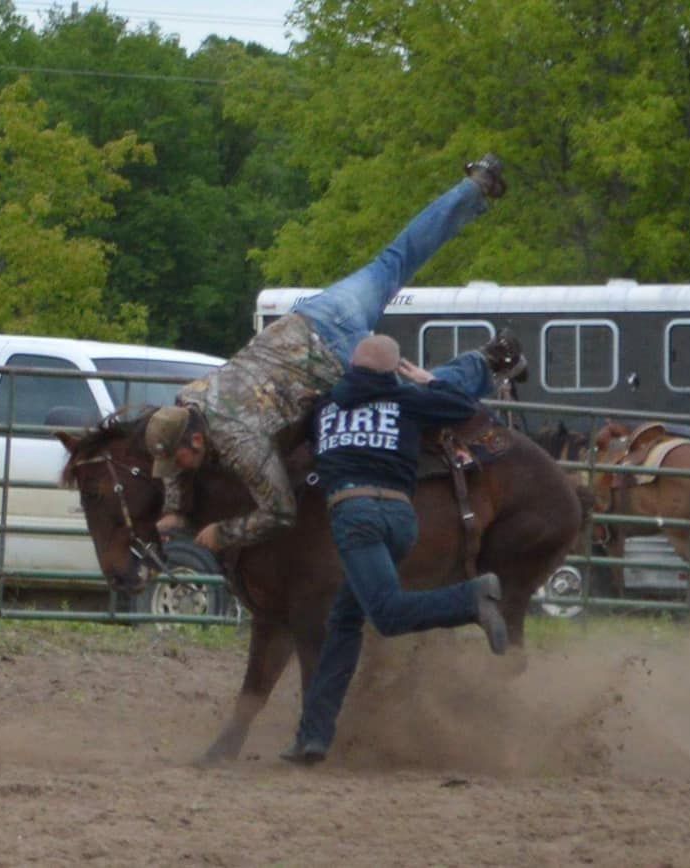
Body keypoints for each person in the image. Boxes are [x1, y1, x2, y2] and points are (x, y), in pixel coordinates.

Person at [144, 154, 523, 555]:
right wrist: (173, 506)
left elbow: (280, 512)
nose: (178, 469)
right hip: (317, 315)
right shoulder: (190, 397)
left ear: (198, 441)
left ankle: (489, 361)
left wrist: (225, 533)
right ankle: (477, 184)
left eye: (179, 461)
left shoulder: (242, 446)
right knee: (397, 257)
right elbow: (175, 437)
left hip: (335, 361)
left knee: (415, 401)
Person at [280, 334, 508, 765]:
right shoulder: (407, 400)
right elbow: (467, 410)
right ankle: (313, 738)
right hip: (402, 518)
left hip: (355, 513)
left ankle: (471, 599)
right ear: (392, 372)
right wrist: (427, 381)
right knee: (344, 621)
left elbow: (302, 444)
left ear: (352, 367)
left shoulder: (326, 406)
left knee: (385, 614)